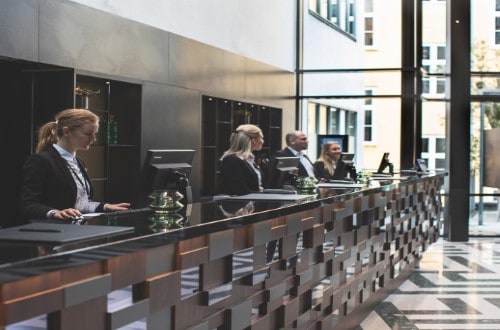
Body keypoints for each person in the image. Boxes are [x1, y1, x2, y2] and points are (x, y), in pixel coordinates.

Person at [20, 108, 130, 221]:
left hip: (73, 229)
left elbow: (80, 204)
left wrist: (105, 206)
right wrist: (55, 213)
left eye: (94, 134)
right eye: (88, 134)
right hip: (51, 231)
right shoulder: (40, 160)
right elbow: (28, 204)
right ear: (66, 131)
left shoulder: (78, 161)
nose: (94, 139)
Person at [218, 124, 265, 195]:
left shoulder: (249, 159)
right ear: (253, 141)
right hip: (242, 205)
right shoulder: (231, 160)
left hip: (255, 202)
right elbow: (238, 190)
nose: (263, 141)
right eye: (261, 138)